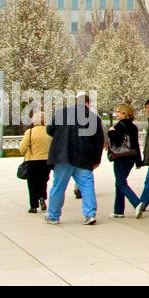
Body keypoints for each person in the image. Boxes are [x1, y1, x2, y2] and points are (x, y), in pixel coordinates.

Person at [44, 93, 106, 225]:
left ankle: (53, 216)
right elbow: (99, 141)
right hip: (84, 157)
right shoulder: (94, 118)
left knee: (58, 186)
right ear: (87, 104)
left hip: (63, 155)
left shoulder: (62, 113)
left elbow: (49, 130)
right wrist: (97, 160)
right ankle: (90, 214)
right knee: (87, 185)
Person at [106, 104, 142, 218]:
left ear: (124, 113)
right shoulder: (133, 127)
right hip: (130, 158)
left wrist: (111, 132)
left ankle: (137, 203)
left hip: (120, 158)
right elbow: (136, 145)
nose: (116, 113)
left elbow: (116, 141)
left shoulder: (119, 126)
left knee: (121, 183)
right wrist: (138, 161)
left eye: (118, 112)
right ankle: (118, 210)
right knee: (119, 183)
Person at [18, 110, 50, 213]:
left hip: (32, 160)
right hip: (46, 160)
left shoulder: (29, 132)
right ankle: (42, 197)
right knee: (43, 180)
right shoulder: (49, 131)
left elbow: (23, 148)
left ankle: (33, 205)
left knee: (32, 183)